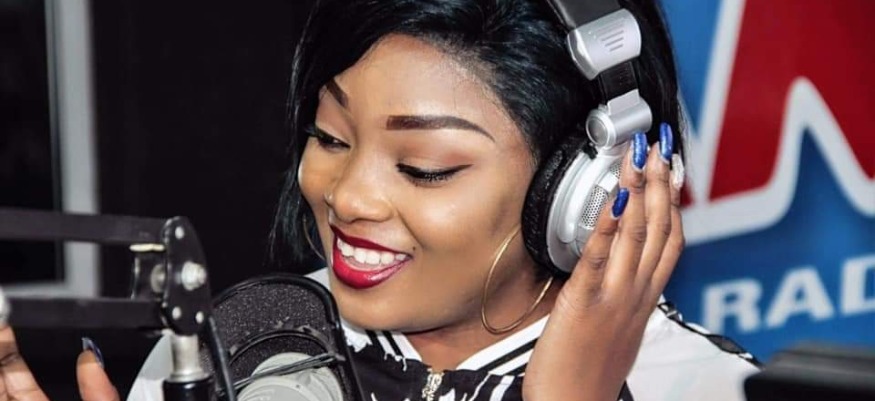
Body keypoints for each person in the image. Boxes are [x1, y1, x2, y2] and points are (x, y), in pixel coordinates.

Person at [0, 0, 758, 400]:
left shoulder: (707, 388)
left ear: (582, 192)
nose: (348, 196)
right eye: (329, 137)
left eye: (424, 167)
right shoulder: (228, 349)